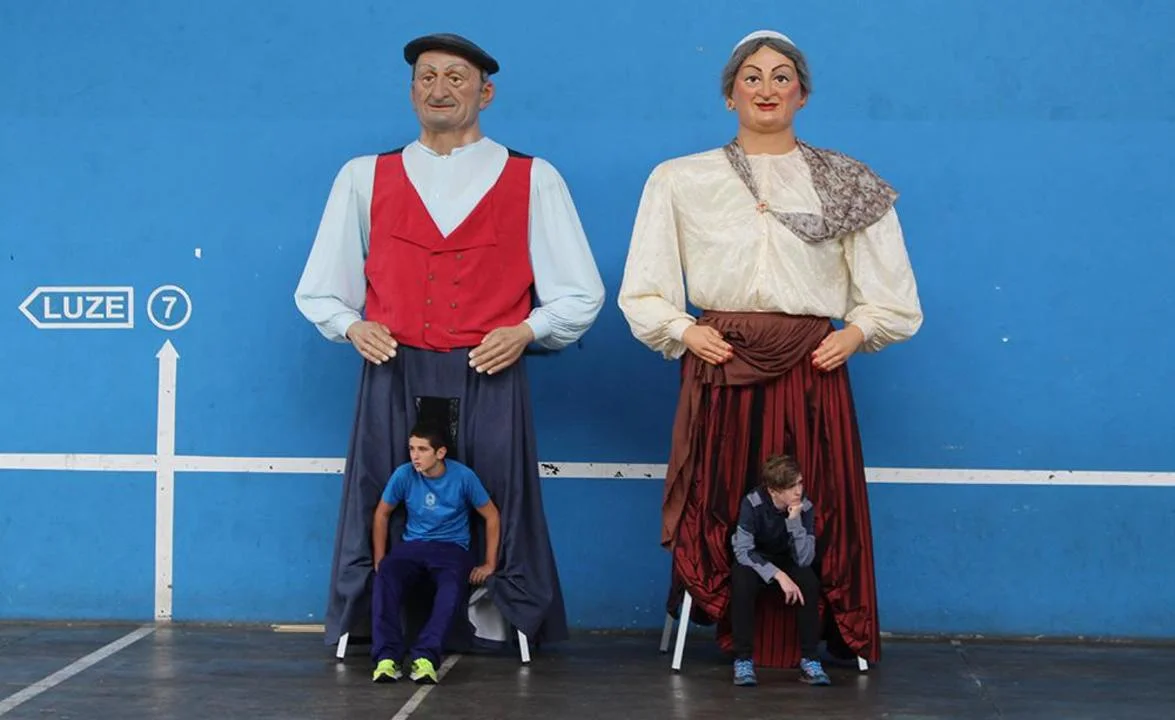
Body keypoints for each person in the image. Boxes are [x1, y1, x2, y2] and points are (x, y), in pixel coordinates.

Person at [617, 29, 922, 669]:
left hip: (811, 365)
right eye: (751, 77)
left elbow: (892, 295)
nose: (766, 88)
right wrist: (683, 330)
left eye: (782, 77)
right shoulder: (680, 179)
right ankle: (734, 624)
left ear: (802, 95)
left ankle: (818, 630)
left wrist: (855, 333)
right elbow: (644, 286)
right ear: (729, 94)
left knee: (810, 501)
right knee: (721, 496)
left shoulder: (847, 182)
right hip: (722, 360)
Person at [295, 32, 605, 658]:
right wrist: (353, 325)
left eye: (456, 77)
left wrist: (526, 331)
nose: (440, 88)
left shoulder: (533, 178)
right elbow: (321, 288)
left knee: (495, 495)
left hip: (488, 371)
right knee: (384, 493)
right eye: (427, 76)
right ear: (411, 91)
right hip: (394, 370)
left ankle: (496, 621)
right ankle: (376, 622)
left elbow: (580, 293)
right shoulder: (363, 176)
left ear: (486, 94)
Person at [370, 423, 499, 684]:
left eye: (422, 449)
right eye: (411, 449)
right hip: (412, 546)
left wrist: (489, 563)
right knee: (386, 576)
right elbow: (382, 513)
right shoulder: (404, 474)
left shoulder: (463, 477)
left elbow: (492, 515)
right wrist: (379, 558)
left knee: (451, 587)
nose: (415, 456)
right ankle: (387, 658)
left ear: (440, 453)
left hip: (451, 549)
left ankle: (425, 658)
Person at [730, 455, 829, 686]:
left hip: (789, 560)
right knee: (741, 580)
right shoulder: (752, 503)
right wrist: (778, 575)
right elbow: (743, 551)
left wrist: (794, 521)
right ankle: (743, 660)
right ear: (774, 491)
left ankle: (810, 660)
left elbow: (805, 559)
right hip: (757, 560)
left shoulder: (805, 506)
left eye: (800, 483)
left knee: (809, 582)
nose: (798, 491)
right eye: (791, 487)